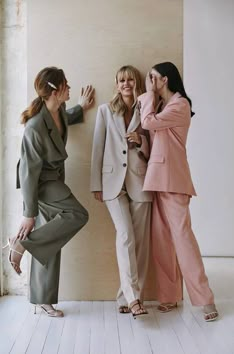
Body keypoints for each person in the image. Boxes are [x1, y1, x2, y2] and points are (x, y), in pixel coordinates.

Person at [3, 66, 94, 317]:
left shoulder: (59, 109)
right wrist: (28, 214)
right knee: (78, 214)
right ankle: (21, 243)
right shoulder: (34, 127)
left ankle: (42, 301)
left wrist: (81, 108)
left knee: (52, 238)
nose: (70, 86)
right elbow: (28, 173)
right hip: (42, 184)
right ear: (55, 90)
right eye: (66, 83)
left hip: (54, 179)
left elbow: (65, 119)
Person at [138, 61, 219, 322]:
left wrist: (148, 96)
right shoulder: (163, 106)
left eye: (152, 77)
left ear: (164, 79)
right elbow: (153, 137)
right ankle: (169, 296)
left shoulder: (179, 105)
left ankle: (205, 300)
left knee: (183, 240)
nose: (148, 81)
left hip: (173, 180)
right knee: (161, 240)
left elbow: (149, 123)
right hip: (157, 177)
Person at [90, 65, 152, 318]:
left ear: (136, 83)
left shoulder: (146, 110)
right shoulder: (105, 111)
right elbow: (97, 148)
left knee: (140, 245)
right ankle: (134, 299)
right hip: (112, 183)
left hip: (140, 181)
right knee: (125, 235)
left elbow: (154, 148)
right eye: (122, 80)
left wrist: (142, 141)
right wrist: (96, 184)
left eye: (130, 80)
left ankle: (125, 297)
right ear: (116, 84)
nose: (126, 83)